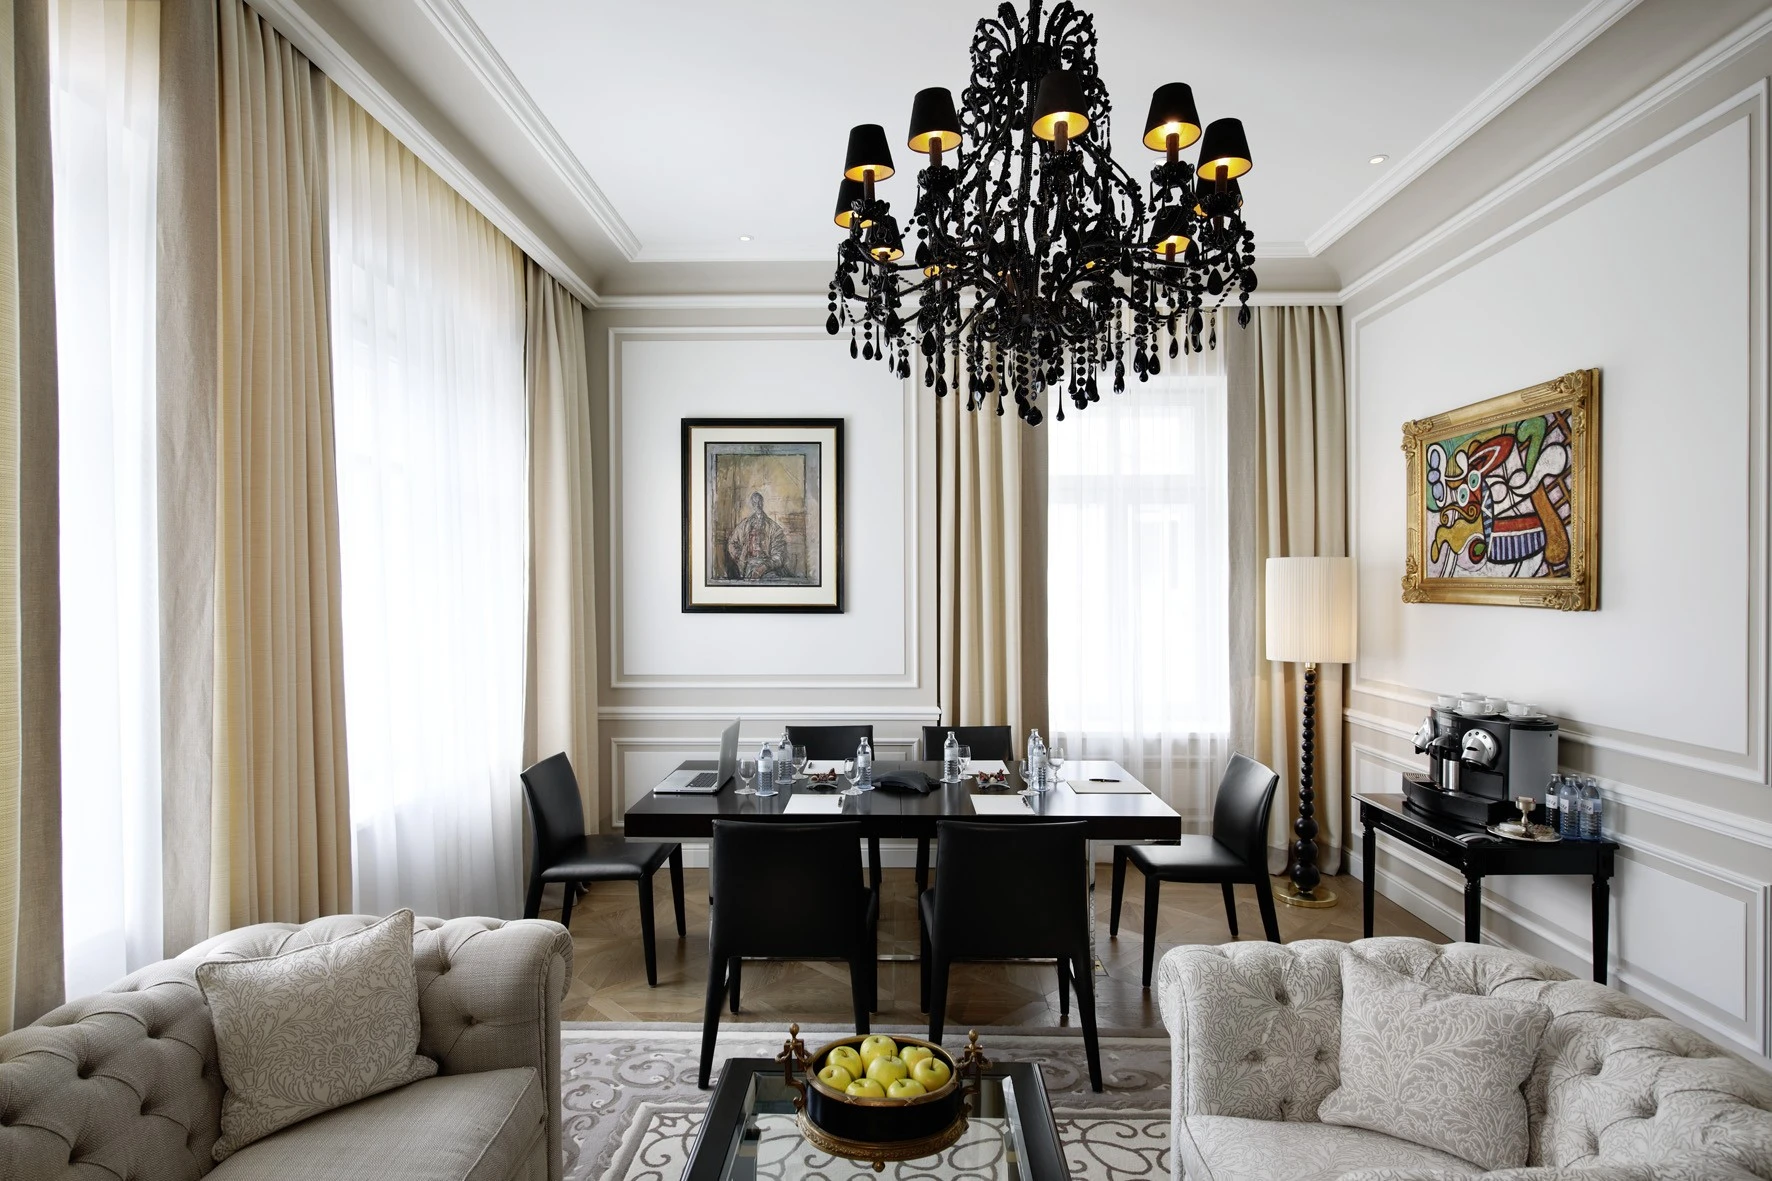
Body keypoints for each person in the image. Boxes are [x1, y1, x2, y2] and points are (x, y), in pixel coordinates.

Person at [726, 490, 789, 581]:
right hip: (749, 565)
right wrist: (741, 557)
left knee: (772, 580)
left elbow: (779, 554)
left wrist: (765, 566)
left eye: (759, 502)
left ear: (762, 503)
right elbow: (732, 543)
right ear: (752, 504)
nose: (757, 505)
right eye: (755, 502)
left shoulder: (774, 528)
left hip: (768, 566)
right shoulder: (744, 525)